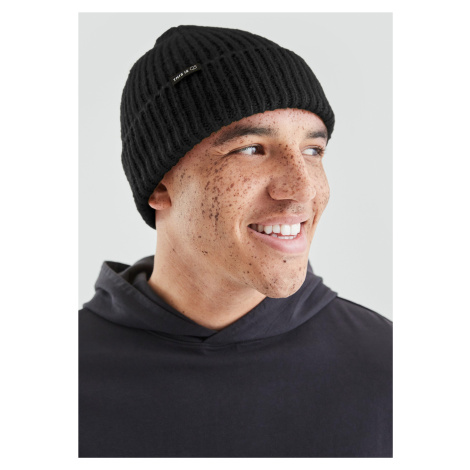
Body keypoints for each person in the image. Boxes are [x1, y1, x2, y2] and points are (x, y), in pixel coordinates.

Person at [79, 25, 392, 458]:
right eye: (251, 149)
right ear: (161, 186)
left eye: (313, 151)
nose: (301, 189)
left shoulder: (388, 366)